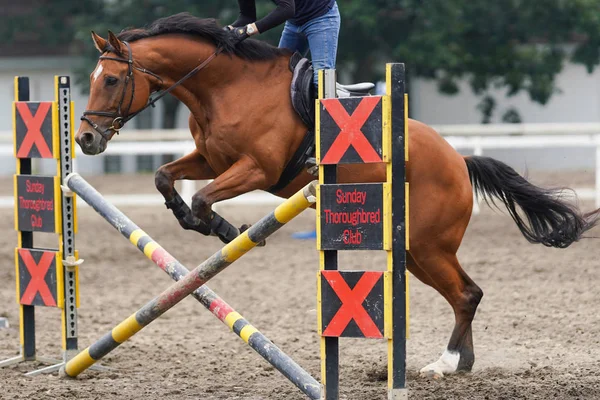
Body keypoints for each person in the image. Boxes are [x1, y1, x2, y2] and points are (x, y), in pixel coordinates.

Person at [226, 0, 340, 86]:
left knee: (321, 81)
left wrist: (248, 30)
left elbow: (287, 9)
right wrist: (226, 31)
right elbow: (247, 17)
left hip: (321, 18)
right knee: (276, 75)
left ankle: (332, 117)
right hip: (294, 23)